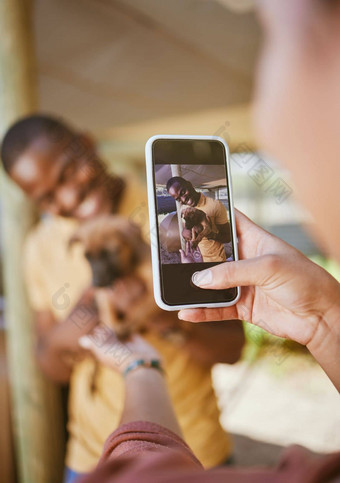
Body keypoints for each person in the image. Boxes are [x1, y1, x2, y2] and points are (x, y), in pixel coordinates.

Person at [69, 0, 340, 480]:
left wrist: (140, 364)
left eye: (281, 28)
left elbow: (144, 471)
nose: (272, 118)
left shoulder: (200, 214)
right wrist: (323, 320)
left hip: (194, 420)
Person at [0, 115, 245, 481]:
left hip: (192, 452)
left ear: (86, 143)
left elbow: (231, 347)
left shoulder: (174, 213)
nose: (69, 196)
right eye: (47, 197)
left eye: (68, 171)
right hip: (92, 459)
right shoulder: (39, 248)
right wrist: (75, 329)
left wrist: (159, 316)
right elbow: (50, 364)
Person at [167, 176, 231, 262]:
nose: (183, 199)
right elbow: (186, 230)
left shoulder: (216, 205)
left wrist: (210, 234)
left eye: (183, 192)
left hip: (215, 259)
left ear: (189, 184)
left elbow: (228, 237)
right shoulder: (184, 209)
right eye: (178, 199)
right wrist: (184, 232)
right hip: (195, 258)